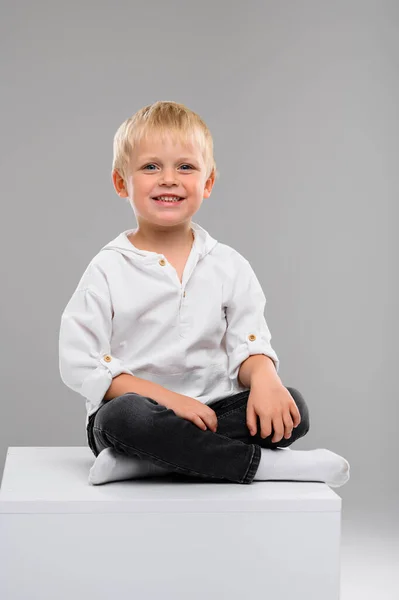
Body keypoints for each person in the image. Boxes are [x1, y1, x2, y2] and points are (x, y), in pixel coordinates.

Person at [58, 100, 350, 487]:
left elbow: (248, 341)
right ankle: (263, 466)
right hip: (138, 412)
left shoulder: (228, 264)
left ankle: (150, 463)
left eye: (185, 167)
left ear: (208, 182)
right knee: (124, 419)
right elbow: (81, 361)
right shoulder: (107, 268)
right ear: (120, 182)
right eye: (150, 166)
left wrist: (264, 376)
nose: (168, 179)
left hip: (217, 410)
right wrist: (169, 400)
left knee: (293, 405)